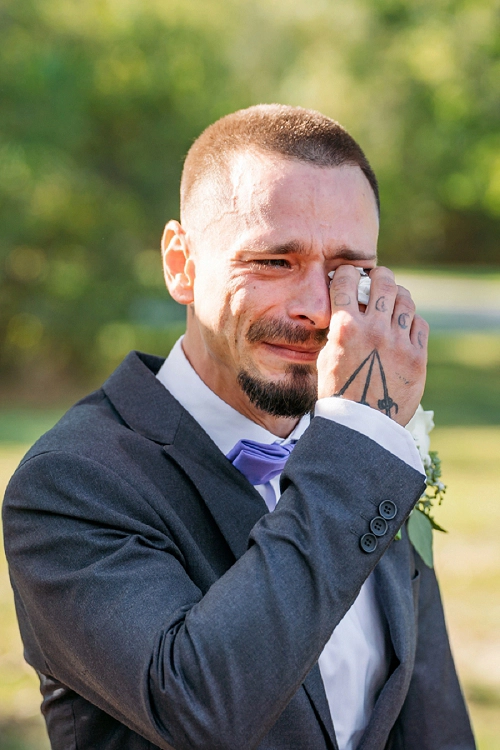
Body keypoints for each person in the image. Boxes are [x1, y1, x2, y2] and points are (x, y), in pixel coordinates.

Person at [3, 105, 475, 750]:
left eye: (348, 269)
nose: (316, 308)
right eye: (275, 261)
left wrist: (367, 443)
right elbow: (200, 710)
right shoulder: (73, 483)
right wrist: (363, 442)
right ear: (182, 263)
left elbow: (428, 712)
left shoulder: (371, 444)